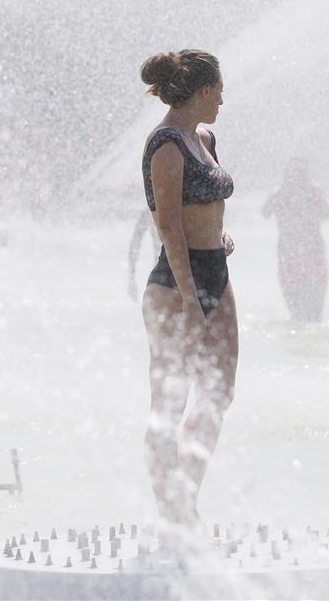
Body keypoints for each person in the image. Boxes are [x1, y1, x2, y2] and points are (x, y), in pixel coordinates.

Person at [139, 49, 237, 540]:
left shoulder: (205, 138)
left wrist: (219, 235)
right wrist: (191, 302)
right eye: (219, 90)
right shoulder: (166, 145)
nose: (222, 99)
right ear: (202, 90)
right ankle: (170, 513)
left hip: (217, 271)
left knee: (219, 392)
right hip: (176, 283)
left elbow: (206, 204)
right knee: (170, 401)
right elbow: (169, 227)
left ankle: (187, 499)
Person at [262, 158, 329, 322]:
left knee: (297, 314)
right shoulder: (311, 192)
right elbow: (327, 213)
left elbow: (265, 212)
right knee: (314, 314)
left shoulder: (281, 194)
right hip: (309, 253)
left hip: (292, 254)